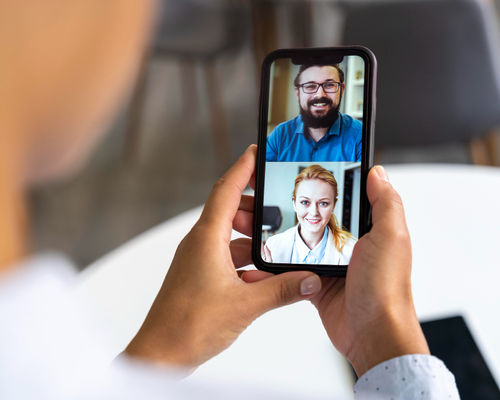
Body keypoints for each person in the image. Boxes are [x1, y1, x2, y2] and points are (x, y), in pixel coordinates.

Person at [0, 1, 460, 399]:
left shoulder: (351, 137)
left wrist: (161, 349)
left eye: (329, 87)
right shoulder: (281, 140)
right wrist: (384, 336)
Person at [266, 63, 362, 162]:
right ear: (298, 93)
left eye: (329, 85)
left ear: (341, 90)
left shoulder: (360, 134)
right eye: (310, 86)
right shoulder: (279, 135)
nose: (319, 95)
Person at [263, 165, 356, 265]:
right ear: (294, 204)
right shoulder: (272, 246)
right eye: (305, 202)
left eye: (323, 203)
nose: (314, 212)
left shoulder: (352, 251)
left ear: (334, 206)